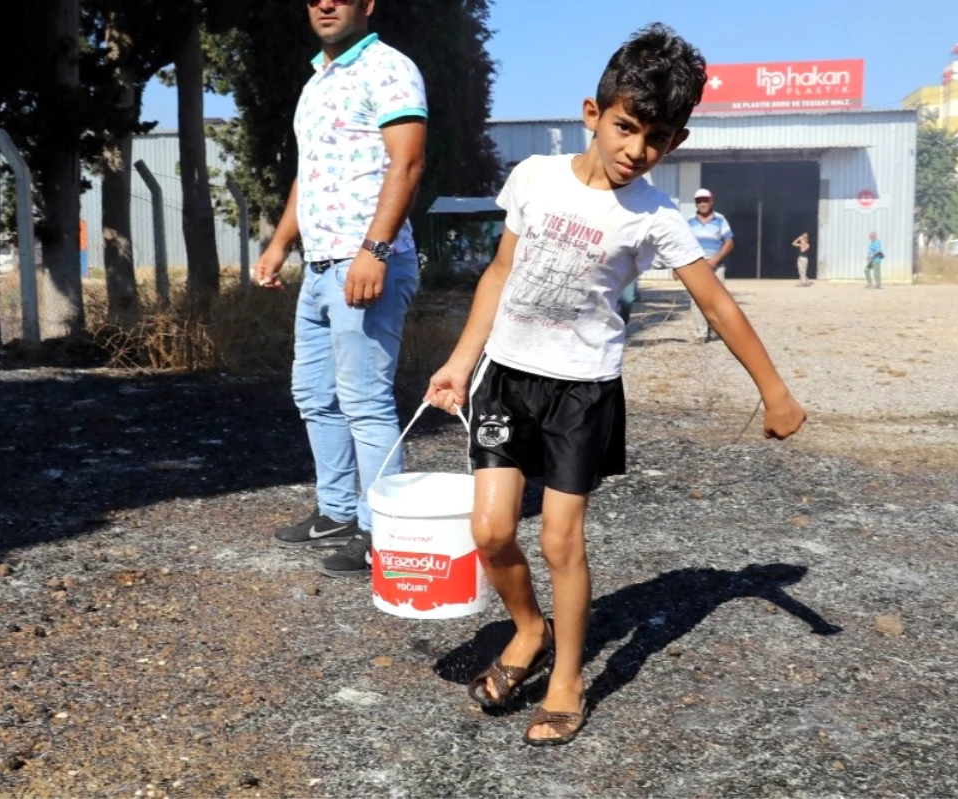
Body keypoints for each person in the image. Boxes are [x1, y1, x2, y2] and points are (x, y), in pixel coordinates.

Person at [423, 24, 806, 747]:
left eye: (657, 138)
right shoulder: (533, 177)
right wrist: (461, 360)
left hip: (582, 391)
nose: (637, 150)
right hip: (506, 377)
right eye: (627, 126)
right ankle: (529, 628)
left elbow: (716, 303)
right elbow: (500, 273)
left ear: (676, 141)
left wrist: (773, 389)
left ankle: (567, 675)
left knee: (563, 538)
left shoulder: (657, 218)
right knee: (491, 530)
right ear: (593, 114)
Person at [254, 0, 428, 578]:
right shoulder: (318, 81)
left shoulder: (389, 68)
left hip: (368, 263)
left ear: (367, 5)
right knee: (314, 395)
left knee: (365, 403)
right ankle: (334, 512)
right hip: (321, 267)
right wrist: (280, 245)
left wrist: (373, 251)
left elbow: (406, 164)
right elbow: (313, 171)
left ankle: (382, 532)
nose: (325, 3)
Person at [687, 188, 734, 343]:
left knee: (718, 299)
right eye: (699, 201)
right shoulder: (689, 221)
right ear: (695, 203)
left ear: (711, 201)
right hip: (696, 266)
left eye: (705, 200)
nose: (702, 203)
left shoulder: (720, 220)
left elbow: (729, 242)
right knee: (697, 299)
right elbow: (683, 243)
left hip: (716, 265)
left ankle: (717, 329)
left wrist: (715, 260)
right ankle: (701, 333)